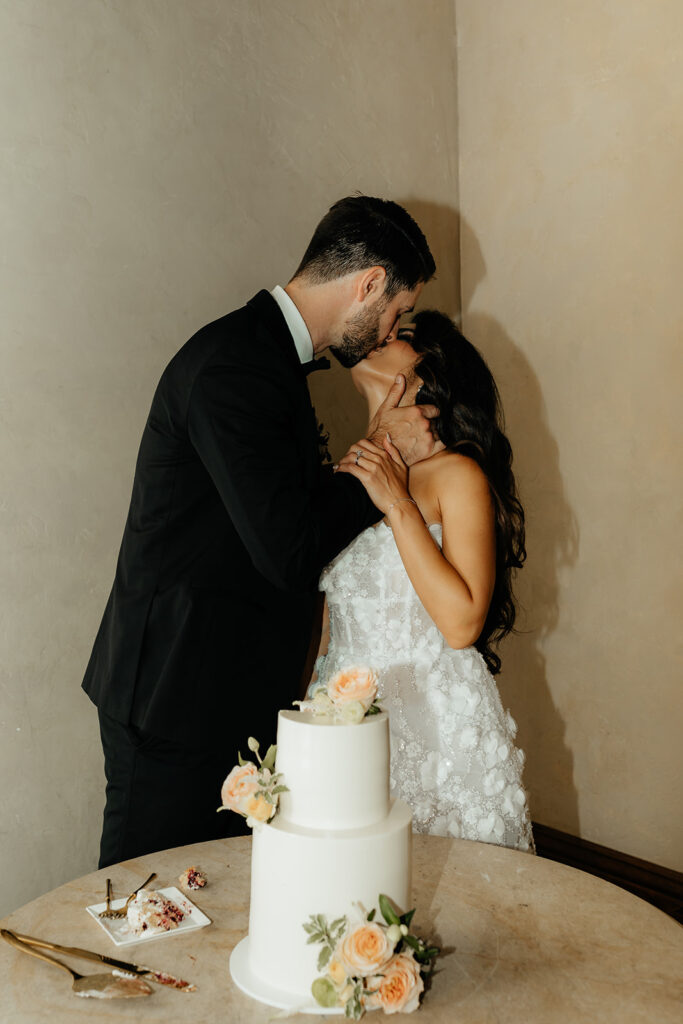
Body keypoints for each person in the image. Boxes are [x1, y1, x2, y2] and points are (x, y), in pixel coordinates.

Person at [82, 196, 440, 868]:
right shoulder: (236, 365)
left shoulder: (261, 357)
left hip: (216, 688)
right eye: (395, 310)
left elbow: (278, 512)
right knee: (146, 912)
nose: (391, 328)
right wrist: (379, 460)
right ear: (367, 284)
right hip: (175, 697)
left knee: (208, 910)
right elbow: (288, 549)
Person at [313, 310, 534, 851]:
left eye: (399, 338)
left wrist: (397, 501)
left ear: (431, 381)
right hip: (345, 725)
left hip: (431, 733)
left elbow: (462, 623)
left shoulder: (455, 473)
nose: (380, 339)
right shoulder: (350, 476)